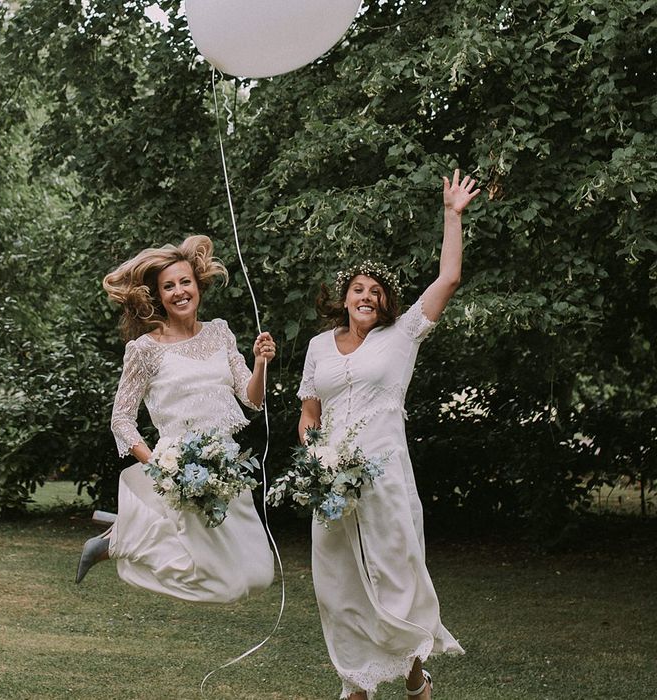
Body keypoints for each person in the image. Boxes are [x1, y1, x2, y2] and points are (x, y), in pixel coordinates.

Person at [297, 170, 480, 699]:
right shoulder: (317, 347)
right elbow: (309, 414)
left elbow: (447, 279)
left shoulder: (402, 336)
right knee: (339, 584)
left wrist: (452, 215)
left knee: (396, 576)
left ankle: (416, 676)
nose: (367, 296)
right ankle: (357, 682)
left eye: (376, 292)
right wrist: (315, 456)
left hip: (384, 476)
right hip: (330, 482)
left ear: (385, 305)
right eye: (359, 289)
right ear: (344, 297)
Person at [75, 234, 276, 604]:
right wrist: (158, 468)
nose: (179, 291)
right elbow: (121, 420)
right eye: (169, 286)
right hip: (180, 473)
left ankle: (120, 534)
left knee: (260, 574)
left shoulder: (220, 332)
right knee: (226, 584)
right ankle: (121, 541)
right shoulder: (145, 350)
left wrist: (261, 362)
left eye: (185, 282)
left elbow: (252, 399)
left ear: (198, 285)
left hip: (228, 469)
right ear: (158, 296)